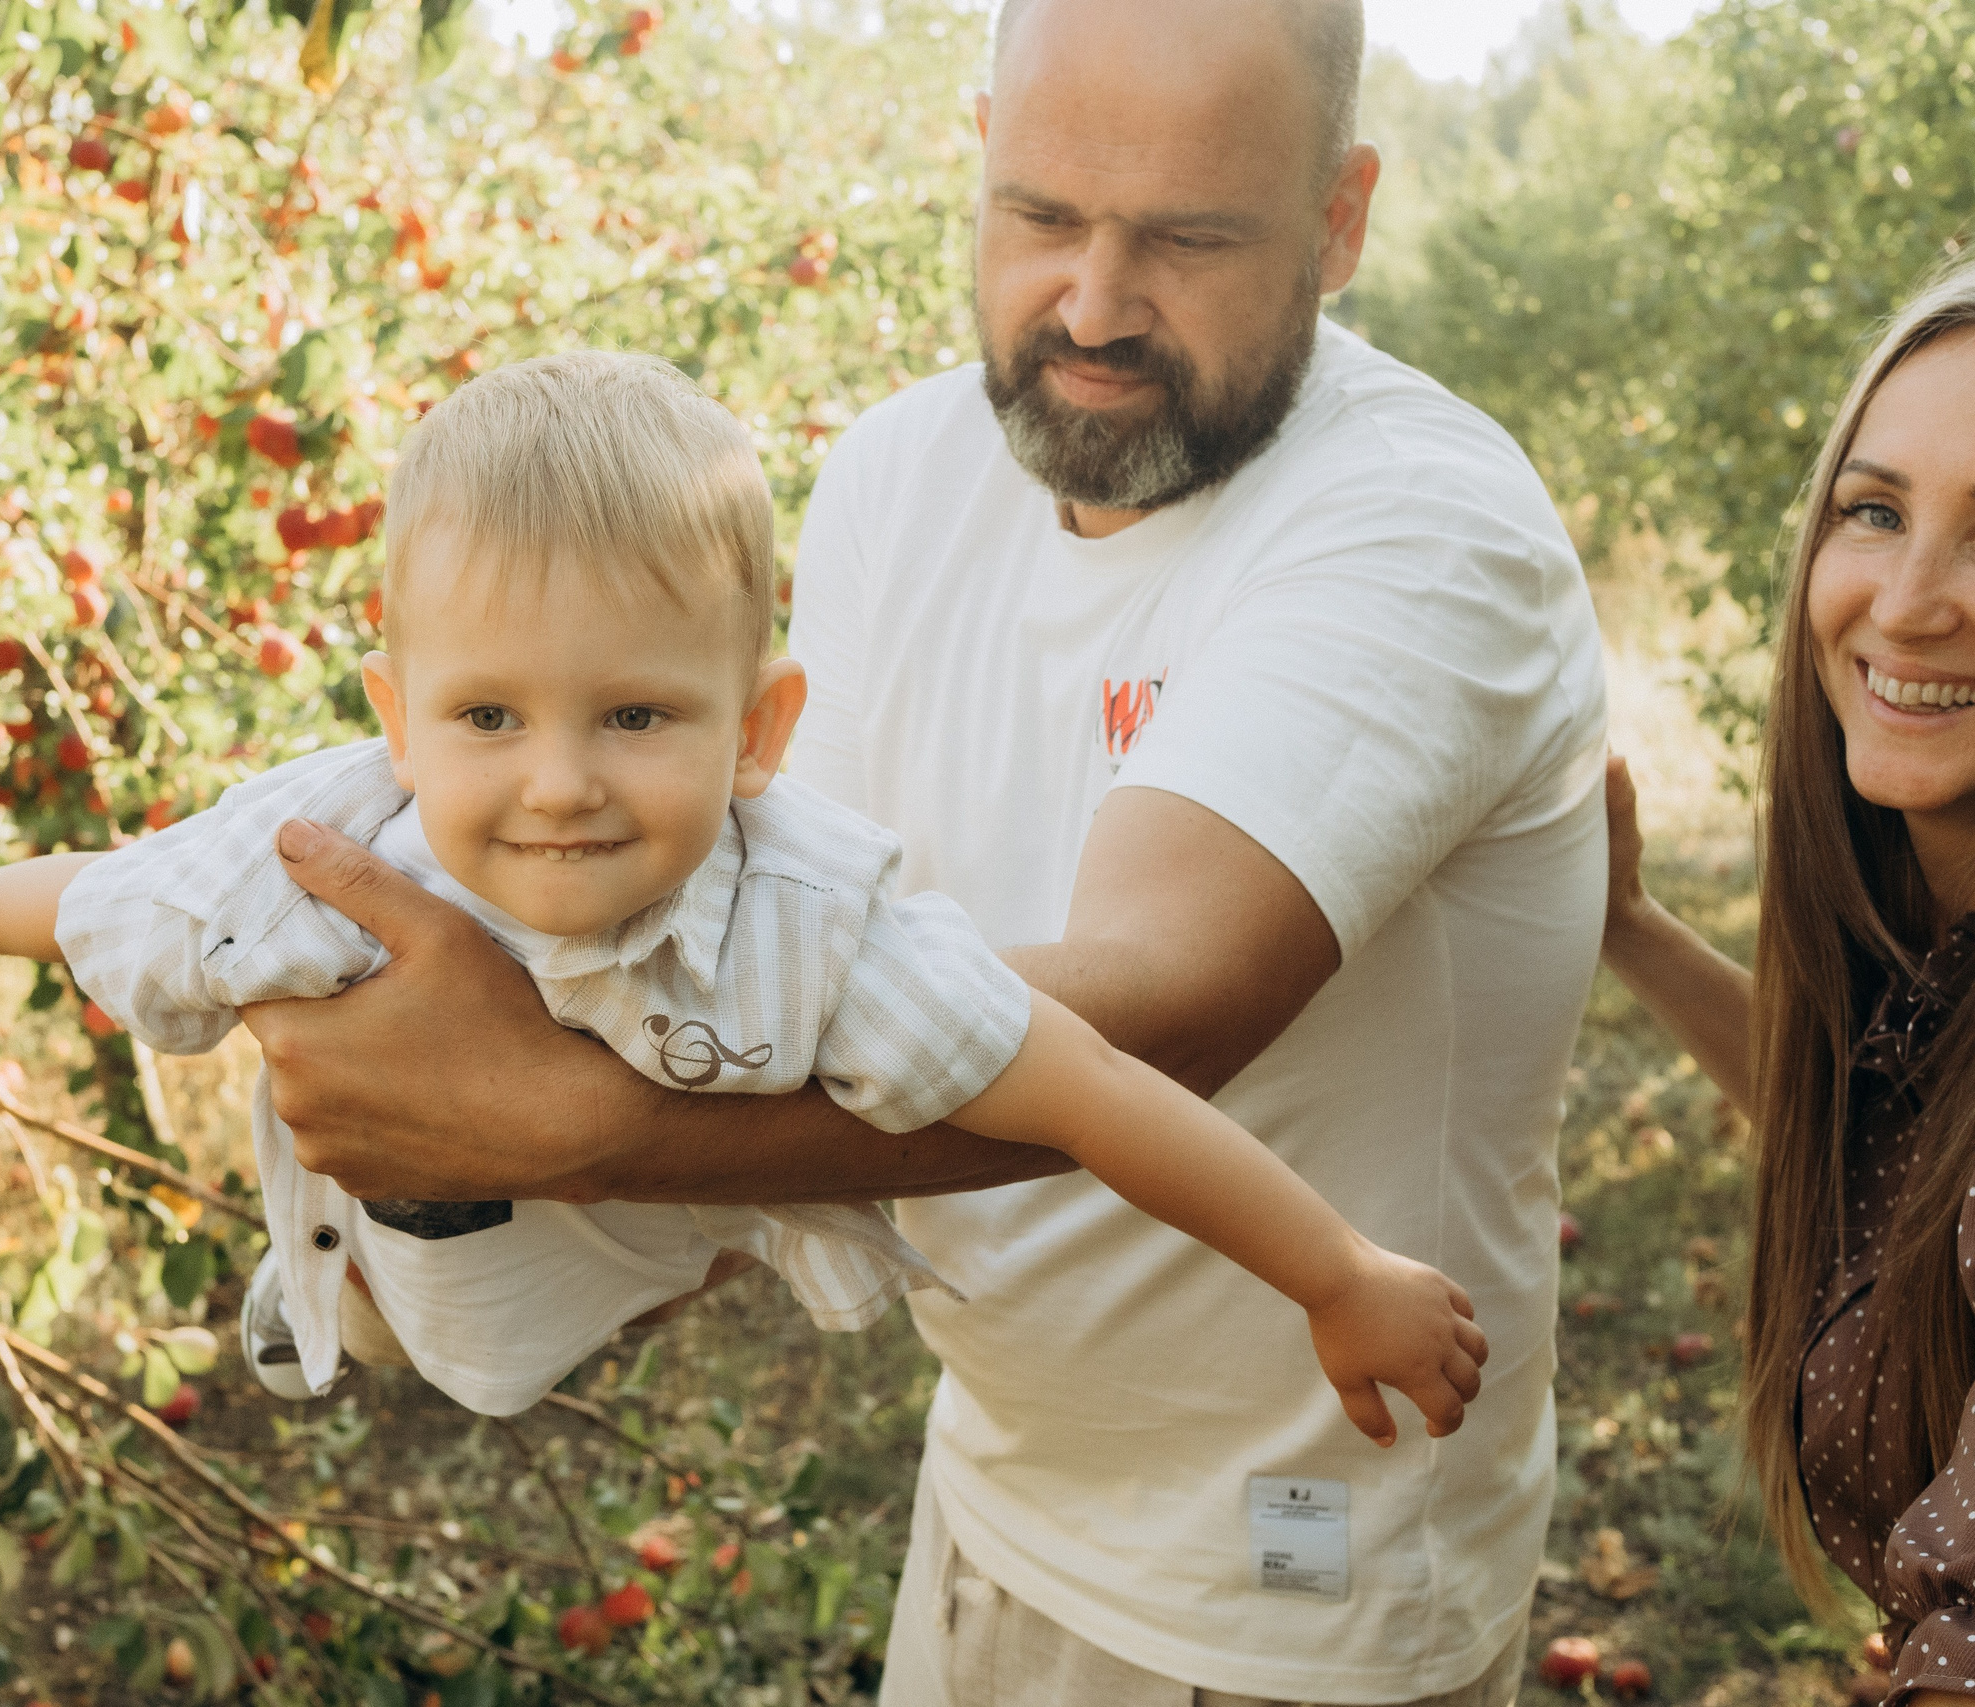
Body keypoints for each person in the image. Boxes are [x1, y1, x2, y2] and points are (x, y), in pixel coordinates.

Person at [223, 0, 1606, 1699]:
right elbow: (772, 956)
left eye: (1186, 238)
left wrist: (562, 1117)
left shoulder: (1415, 524)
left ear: (1340, 219)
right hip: (997, 1494)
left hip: (1291, 1581)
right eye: (1040, 217)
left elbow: (1154, 1006)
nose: (1092, 307)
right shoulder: (903, 472)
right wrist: (458, 1161)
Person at [0, 350, 1486, 1435]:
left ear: (762, 732)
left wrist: (1336, 1275)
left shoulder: (817, 923)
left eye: (635, 717)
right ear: (396, 720)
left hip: (630, 1251)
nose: (557, 781)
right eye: (487, 718)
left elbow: (1098, 1096)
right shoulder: (345, 850)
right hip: (418, 1275)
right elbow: (119, 896)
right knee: (374, 1300)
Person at [1602, 256, 1975, 1694]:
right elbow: (1892, 1135)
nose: (1911, 601)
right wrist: (1633, 926)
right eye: (1875, 512)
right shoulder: (1925, 932)